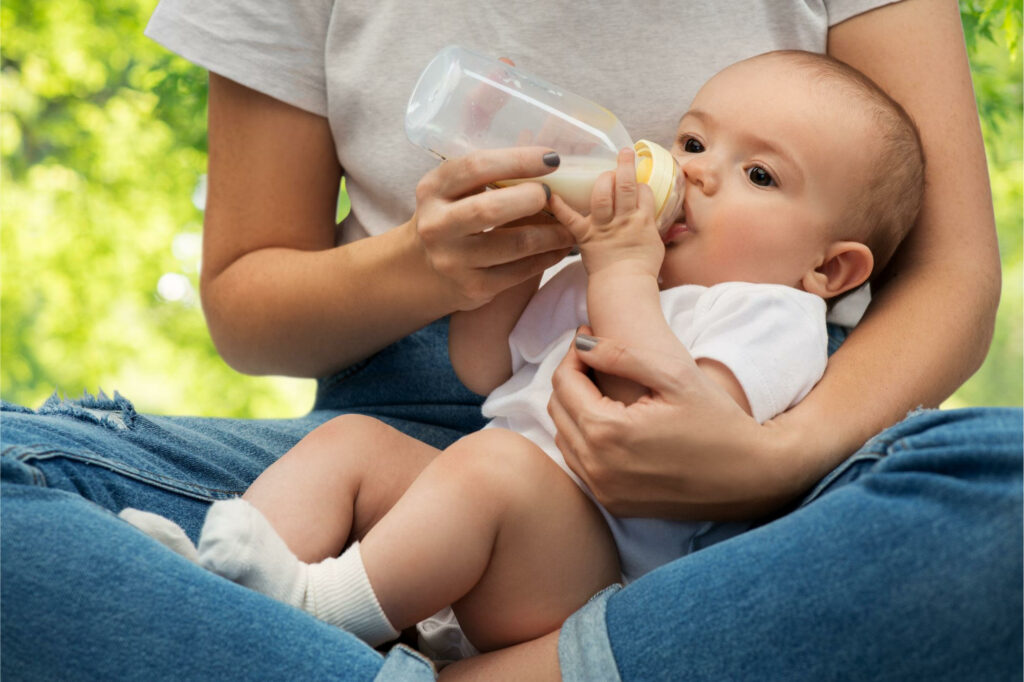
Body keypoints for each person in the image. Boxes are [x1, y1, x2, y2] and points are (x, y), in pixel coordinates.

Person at [2, 2, 1019, 680]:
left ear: (830, 267)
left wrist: (765, 453)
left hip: (650, 525)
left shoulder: (766, 314)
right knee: (354, 453)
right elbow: (485, 366)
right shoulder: (613, 270)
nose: (699, 172)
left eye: (758, 176)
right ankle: (223, 584)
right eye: (698, 142)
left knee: (1001, 494)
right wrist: (460, 271)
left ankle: (313, 621)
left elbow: (645, 415)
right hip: (429, 418)